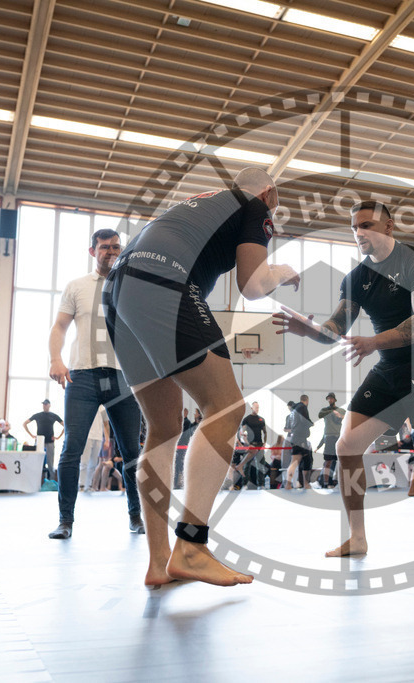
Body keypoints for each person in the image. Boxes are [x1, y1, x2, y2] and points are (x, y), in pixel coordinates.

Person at [105, 167, 299, 586]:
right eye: (276, 204)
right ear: (268, 192)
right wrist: (284, 271)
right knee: (227, 406)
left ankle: (160, 565)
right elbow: (252, 284)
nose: (274, 215)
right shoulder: (253, 206)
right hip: (165, 284)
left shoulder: (196, 205)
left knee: (163, 427)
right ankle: (191, 546)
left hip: (120, 293)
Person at [273, 199, 414, 560]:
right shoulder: (356, 278)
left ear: (389, 227)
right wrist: (310, 330)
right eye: (354, 227)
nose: (358, 232)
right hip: (388, 370)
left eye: (366, 225)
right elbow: (337, 327)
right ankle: (357, 538)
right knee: (347, 447)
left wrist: (373, 342)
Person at [49, 228, 151, 542]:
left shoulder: (133, 287)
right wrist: (56, 359)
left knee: (132, 453)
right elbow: (60, 327)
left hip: (122, 378)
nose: (111, 251)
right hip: (83, 377)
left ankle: (136, 515)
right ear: (93, 251)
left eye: (116, 246)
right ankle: (65, 521)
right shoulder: (77, 287)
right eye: (104, 247)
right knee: (71, 451)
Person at [23, 400, 64, 479]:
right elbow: (25, 423)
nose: (44, 406)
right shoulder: (37, 415)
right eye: (43, 404)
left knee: (50, 463)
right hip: (39, 442)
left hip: (50, 442)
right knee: (38, 462)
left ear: (49, 405)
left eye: (46, 404)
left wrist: (58, 437)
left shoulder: (53, 415)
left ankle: (51, 482)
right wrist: (31, 435)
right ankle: (37, 480)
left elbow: (65, 425)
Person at [284, 395, 314, 490]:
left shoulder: (294, 410)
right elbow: (304, 420)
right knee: (296, 461)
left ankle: (305, 484)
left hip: (296, 438)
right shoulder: (302, 407)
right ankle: (291, 484)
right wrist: (311, 423)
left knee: (306, 460)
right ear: (307, 400)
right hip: (300, 439)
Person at [316, 393, 343, 488]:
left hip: (338, 437)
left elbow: (346, 417)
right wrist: (332, 411)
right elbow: (320, 415)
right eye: (328, 399)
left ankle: (332, 481)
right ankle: (325, 482)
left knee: (336, 461)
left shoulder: (341, 410)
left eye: (331, 399)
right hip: (329, 437)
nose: (330, 400)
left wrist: (338, 414)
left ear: (335, 399)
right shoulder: (325, 410)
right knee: (328, 461)